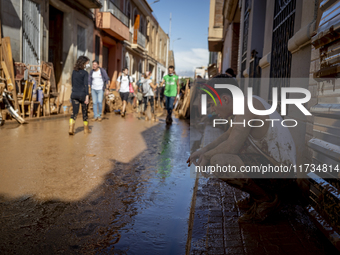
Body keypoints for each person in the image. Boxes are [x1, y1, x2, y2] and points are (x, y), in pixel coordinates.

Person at [187, 74, 296, 223]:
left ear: (225, 99)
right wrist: (203, 151)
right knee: (227, 153)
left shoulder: (248, 105)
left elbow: (231, 146)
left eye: (212, 104)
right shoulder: (245, 106)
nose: (212, 110)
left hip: (283, 176)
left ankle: (266, 200)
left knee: (220, 161)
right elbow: (227, 135)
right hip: (277, 169)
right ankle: (257, 196)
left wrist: (207, 156)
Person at [69, 56, 91, 135]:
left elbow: (72, 83)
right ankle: (86, 130)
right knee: (84, 113)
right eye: (87, 63)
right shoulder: (85, 73)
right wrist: (87, 96)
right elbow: (86, 85)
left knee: (74, 113)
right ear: (83, 63)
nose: (87, 65)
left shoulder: (74, 72)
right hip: (82, 95)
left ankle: (71, 128)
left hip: (74, 94)